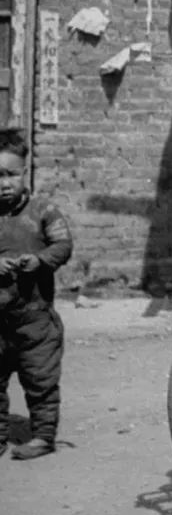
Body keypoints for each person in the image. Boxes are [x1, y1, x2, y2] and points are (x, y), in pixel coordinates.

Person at [0, 127, 74, 460]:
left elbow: (63, 245)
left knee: (40, 379)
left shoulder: (44, 211)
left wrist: (39, 261)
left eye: (11, 175)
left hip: (35, 320)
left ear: (24, 172)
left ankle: (43, 436)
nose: (3, 183)